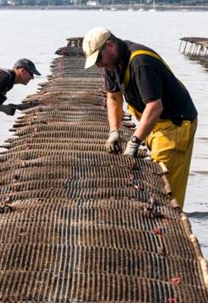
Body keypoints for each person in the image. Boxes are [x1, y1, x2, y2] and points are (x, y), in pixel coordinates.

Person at [82, 28, 198, 208]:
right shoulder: (113, 64)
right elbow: (113, 97)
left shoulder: (140, 63)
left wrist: (135, 141)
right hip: (156, 122)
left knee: (163, 181)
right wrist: (114, 131)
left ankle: (167, 221)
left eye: (98, 59)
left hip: (175, 123)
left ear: (110, 45)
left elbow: (155, 106)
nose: (98, 65)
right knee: (156, 175)